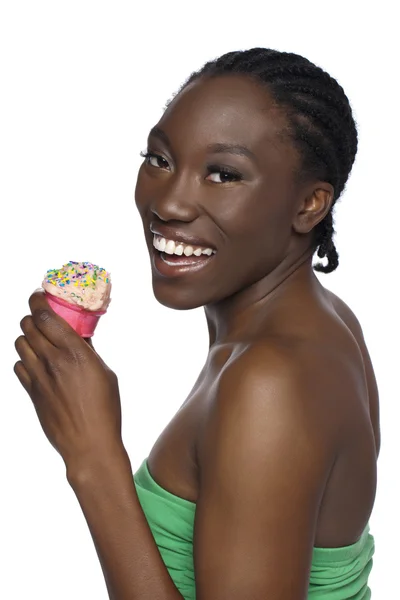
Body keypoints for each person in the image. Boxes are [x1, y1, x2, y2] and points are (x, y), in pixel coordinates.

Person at [14, 48, 379, 600]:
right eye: (159, 159)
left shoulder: (270, 383)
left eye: (224, 174)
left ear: (310, 204)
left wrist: (92, 457)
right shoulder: (312, 324)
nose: (170, 202)